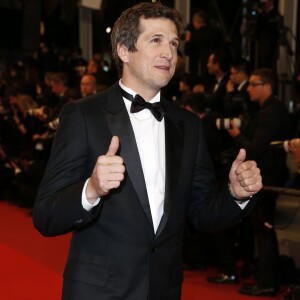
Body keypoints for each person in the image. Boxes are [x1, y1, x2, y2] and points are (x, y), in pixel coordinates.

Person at [32, 3, 262, 300]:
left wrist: (236, 195)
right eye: (156, 40)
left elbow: (202, 213)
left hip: (163, 290)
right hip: (99, 292)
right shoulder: (83, 115)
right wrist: (91, 189)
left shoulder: (188, 125)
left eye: (174, 43)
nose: (169, 52)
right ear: (124, 51)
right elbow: (46, 215)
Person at [226, 68, 291, 296]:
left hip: (267, 180)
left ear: (267, 86)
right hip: (267, 178)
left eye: (253, 84)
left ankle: (267, 282)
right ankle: (266, 278)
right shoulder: (269, 110)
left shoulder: (271, 113)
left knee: (263, 229)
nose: (249, 89)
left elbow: (254, 148)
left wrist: (236, 135)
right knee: (261, 229)